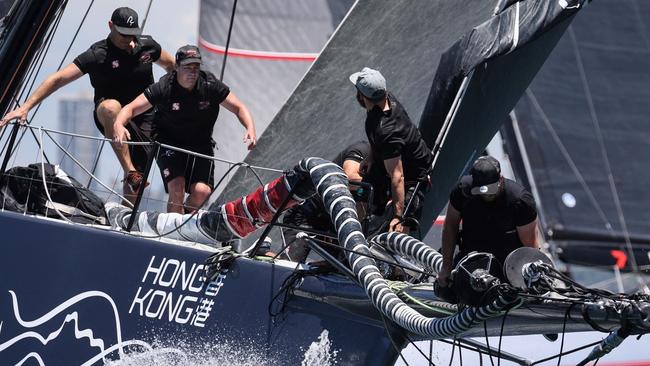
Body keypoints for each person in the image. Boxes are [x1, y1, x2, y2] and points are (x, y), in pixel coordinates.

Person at [0, 7, 175, 202]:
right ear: (110, 26)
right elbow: (58, 79)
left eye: (132, 34)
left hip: (144, 115)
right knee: (111, 109)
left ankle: (126, 222)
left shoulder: (147, 46)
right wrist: (25, 107)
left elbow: (172, 66)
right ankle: (129, 170)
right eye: (123, 34)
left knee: (138, 184)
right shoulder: (98, 54)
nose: (129, 40)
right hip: (108, 113)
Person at [113, 45, 256, 214]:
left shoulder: (209, 84)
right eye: (188, 67)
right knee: (177, 187)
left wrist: (250, 128)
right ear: (177, 67)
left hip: (200, 144)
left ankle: (184, 221)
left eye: (196, 67)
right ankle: (171, 229)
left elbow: (239, 107)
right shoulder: (165, 86)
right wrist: (118, 125)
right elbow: (130, 109)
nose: (193, 72)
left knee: (202, 192)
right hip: (169, 143)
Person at [349, 67, 433, 235]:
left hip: (412, 178)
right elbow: (380, 142)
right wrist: (371, 157)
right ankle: (356, 235)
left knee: (397, 228)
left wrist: (398, 215)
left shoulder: (386, 130)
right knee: (361, 193)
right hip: (387, 160)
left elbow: (398, 176)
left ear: (362, 96)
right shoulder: (385, 99)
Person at [437, 156, 539, 287]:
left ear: (500, 179)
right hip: (472, 262)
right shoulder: (462, 191)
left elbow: (531, 247)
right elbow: (450, 226)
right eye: (482, 192)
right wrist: (446, 266)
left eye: (490, 191)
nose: (487, 196)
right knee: (446, 291)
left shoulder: (520, 200)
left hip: (509, 268)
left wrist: (531, 281)